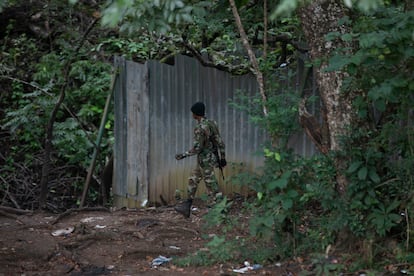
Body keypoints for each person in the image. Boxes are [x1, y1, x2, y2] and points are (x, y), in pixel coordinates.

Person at [174, 102, 226, 218]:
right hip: (210, 158)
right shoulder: (212, 123)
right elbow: (220, 142)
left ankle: (222, 210)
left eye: (192, 112)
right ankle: (186, 206)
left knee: (211, 185)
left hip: (205, 160)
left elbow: (197, 148)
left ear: (195, 114)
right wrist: (222, 157)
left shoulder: (200, 128)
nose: (192, 114)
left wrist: (183, 155)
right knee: (193, 179)